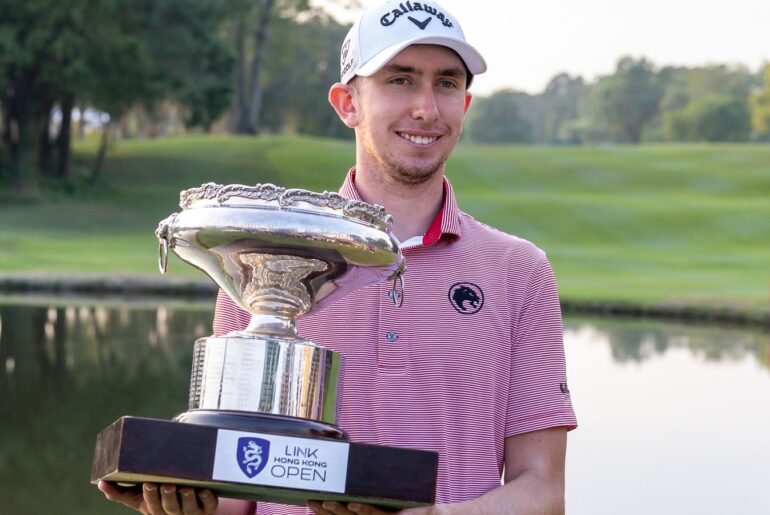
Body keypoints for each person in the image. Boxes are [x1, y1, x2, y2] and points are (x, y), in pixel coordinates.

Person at [99, 1, 577, 514]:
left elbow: (543, 491)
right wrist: (186, 499)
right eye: (399, 80)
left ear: (465, 103)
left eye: (446, 83)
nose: (426, 108)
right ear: (347, 103)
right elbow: (238, 490)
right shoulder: (264, 256)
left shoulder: (519, 270)